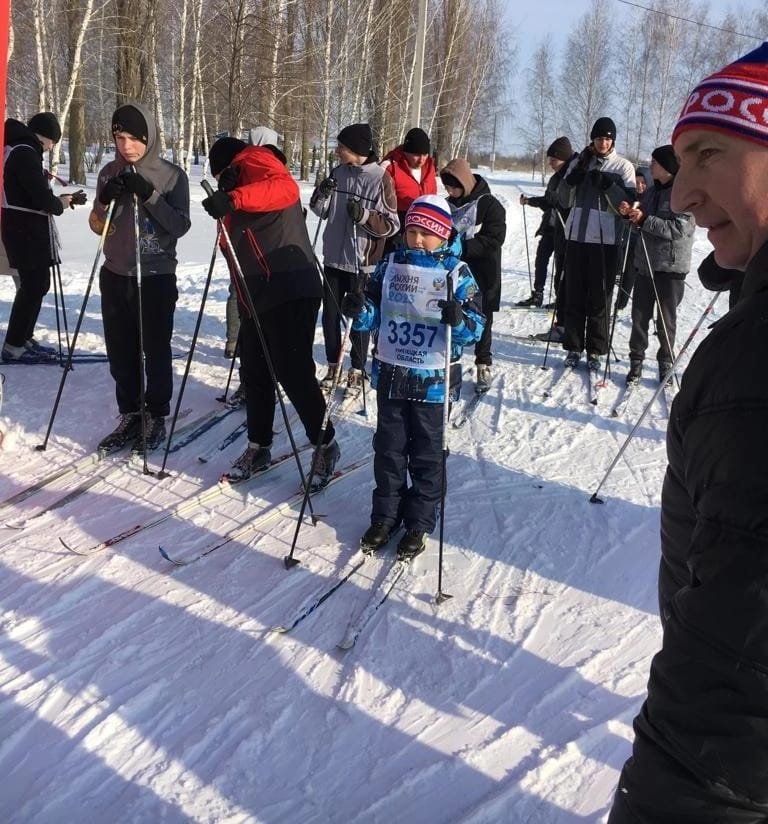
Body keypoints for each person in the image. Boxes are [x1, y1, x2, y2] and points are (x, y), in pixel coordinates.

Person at [608, 42, 768, 823]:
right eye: (679, 162)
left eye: (710, 153)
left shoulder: (755, 364)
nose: (683, 192)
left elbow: (734, 689)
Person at [340, 195, 484, 558]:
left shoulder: (457, 272)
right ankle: (385, 517)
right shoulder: (390, 264)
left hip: (433, 383)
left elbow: (475, 330)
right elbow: (373, 314)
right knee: (389, 451)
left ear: (443, 234)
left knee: (427, 454)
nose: (417, 239)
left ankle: (419, 520)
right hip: (391, 374)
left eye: (426, 233)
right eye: (412, 231)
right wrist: (358, 310)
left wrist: (459, 320)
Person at [200, 135, 340, 485]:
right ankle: (259, 446)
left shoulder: (256, 160)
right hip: (257, 293)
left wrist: (234, 197)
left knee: (293, 372)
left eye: (220, 174)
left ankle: (325, 445)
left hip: (289, 283)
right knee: (255, 372)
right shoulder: (238, 180)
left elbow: (285, 189)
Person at [88, 103, 190, 454]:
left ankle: (156, 413)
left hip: (155, 274)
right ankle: (130, 412)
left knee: (155, 349)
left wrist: (148, 194)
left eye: (134, 138)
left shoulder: (172, 176)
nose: (126, 146)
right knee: (120, 351)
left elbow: (180, 225)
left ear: (149, 138)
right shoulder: (108, 172)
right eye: (120, 138)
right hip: (116, 273)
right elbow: (97, 227)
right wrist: (104, 201)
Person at [310, 123, 398, 395]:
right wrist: (322, 192)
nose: (337, 151)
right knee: (330, 317)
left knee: (358, 317)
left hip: (361, 263)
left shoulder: (380, 178)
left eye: (342, 147)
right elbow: (319, 210)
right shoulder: (338, 172)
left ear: (357, 149)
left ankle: (357, 369)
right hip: (333, 259)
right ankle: (333, 365)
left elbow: (392, 224)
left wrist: (364, 216)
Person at [1, 112, 84, 363]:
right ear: (44, 137)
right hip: (24, 230)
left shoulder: (21, 149)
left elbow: (32, 193)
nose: (50, 148)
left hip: (25, 228)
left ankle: (22, 338)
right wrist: (61, 203)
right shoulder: (25, 152)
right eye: (52, 142)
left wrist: (61, 200)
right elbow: (42, 199)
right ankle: (14, 344)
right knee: (33, 285)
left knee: (37, 284)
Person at [557, 117, 635, 371]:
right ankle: (573, 347)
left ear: (613, 141)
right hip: (577, 237)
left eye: (608, 139)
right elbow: (563, 200)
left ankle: (596, 350)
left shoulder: (623, 167)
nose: (603, 143)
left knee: (600, 297)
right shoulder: (579, 162)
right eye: (600, 138)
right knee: (574, 294)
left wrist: (609, 186)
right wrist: (571, 181)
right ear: (592, 139)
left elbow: (627, 206)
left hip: (605, 240)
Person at [618, 145, 694, 386]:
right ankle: (636, 362)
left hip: (670, 268)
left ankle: (665, 362)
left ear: (668, 166)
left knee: (665, 321)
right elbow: (640, 224)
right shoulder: (650, 193)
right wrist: (629, 215)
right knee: (639, 318)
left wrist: (645, 220)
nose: (651, 166)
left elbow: (679, 229)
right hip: (645, 265)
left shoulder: (683, 193)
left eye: (655, 162)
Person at [440, 158, 506, 392]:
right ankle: (447, 362)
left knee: (482, 317)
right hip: (453, 271)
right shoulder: (446, 205)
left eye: (454, 187)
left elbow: (494, 238)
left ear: (465, 183)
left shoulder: (489, 204)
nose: (450, 192)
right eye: (447, 187)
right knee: (451, 315)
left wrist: (465, 248)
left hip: (483, 271)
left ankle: (483, 363)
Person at [518, 136, 577, 343]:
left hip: (565, 230)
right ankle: (538, 293)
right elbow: (548, 203)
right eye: (549, 160)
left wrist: (554, 201)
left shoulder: (570, 175)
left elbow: (567, 203)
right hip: (551, 228)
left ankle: (562, 310)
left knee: (562, 273)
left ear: (563, 159)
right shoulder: (554, 178)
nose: (550, 163)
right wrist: (531, 201)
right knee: (541, 260)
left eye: (554, 160)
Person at [381, 127, 437, 251]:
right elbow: (380, 205)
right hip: (397, 230)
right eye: (416, 155)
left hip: (424, 229)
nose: (422, 159)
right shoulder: (389, 167)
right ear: (406, 151)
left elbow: (433, 195)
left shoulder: (430, 167)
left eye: (425, 154)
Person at [614, 166, 653, 312]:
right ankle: (618, 305)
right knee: (624, 272)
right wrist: (624, 213)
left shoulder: (652, 198)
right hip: (628, 241)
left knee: (633, 276)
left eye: (643, 182)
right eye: (637, 182)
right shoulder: (631, 196)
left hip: (644, 245)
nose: (639, 186)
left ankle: (624, 306)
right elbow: (623, 219)